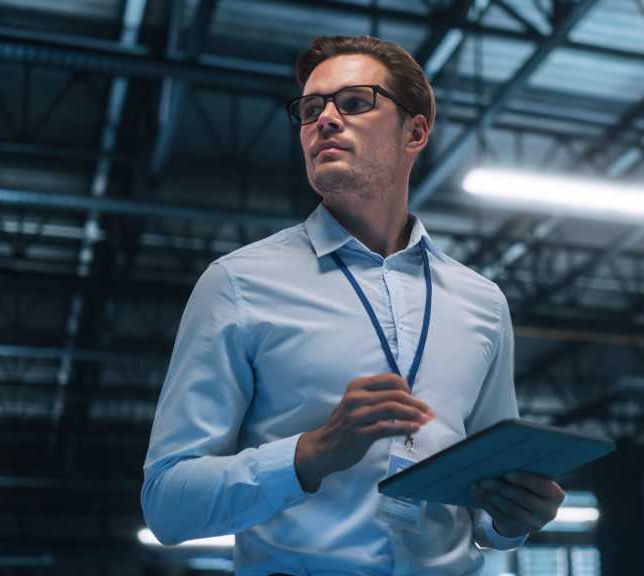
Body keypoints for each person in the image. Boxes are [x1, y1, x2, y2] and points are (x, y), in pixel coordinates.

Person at [140, 35, 565, 575]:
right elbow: (167, 504)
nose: (325, 120)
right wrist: (310, 453)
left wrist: (514, 515)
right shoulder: (237, 284)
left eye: (355, 102)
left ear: (415, 131)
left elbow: (489, 499)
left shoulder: (482, 302)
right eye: (311, 108)